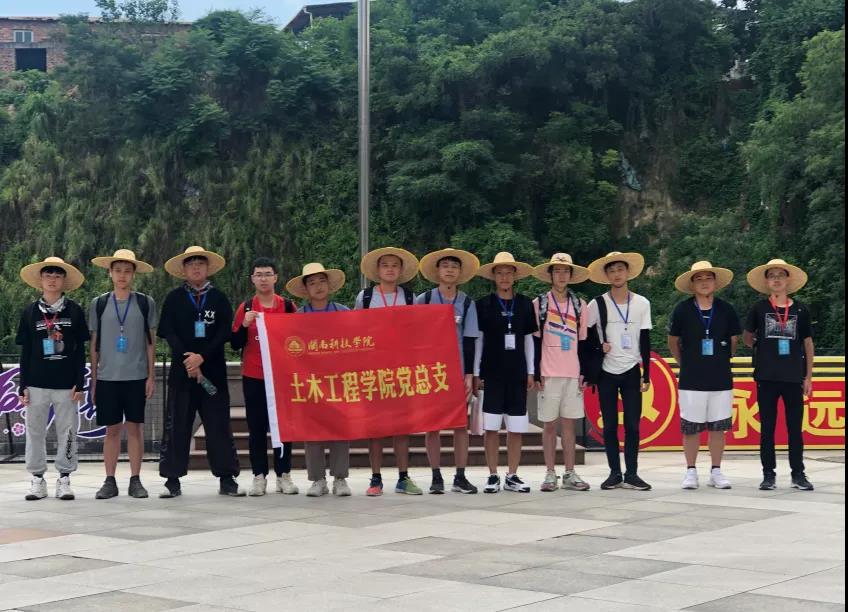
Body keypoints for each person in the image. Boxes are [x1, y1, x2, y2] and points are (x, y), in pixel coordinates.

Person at [157, 246, 244, 498]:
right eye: (191, 264)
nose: (196, 268)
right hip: (182, 374)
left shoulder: (219, 298)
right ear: (183, 269)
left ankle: (227, 478)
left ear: (208, 269)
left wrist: (202, 357)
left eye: (200, 264)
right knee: (177, 425)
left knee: (218, 425)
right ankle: (172, 479)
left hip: (213, 374)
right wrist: (189, 359)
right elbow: (168, 332)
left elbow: (224, 333)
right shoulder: (174, 298)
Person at [16, 257, 88, 501]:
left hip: (66, 384)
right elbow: (25, 351)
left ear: (64, 281)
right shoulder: (30, 312)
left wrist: (81, 382)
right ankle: (37, 478)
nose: (52, 280)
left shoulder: (74, 311)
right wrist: (22, 385)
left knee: (68, 432)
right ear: (41, 280)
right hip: (36, 383)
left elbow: (80, 351)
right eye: (48, 275)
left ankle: (64, 478)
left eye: (58, 275)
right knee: (35, 431)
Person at [89, 249, 157, 499]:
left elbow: (151, 342)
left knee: (135, 428)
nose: (122, 275)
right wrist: (94, 381)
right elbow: (94, 344)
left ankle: (135, 480)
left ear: (133, 274)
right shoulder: (99, 304)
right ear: (110, 273)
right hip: (107, 377)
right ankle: (109, 480)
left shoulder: (145, 302)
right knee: (112, 430)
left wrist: (151, 376)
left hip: (136, 376)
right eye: (117, 270)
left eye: (127, 271)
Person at [355, 246, 422, 496]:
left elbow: (417, 333)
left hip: (401, 370)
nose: (390, 269)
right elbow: (355, 332)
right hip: (373, 370)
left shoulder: (410, 298)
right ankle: (376, 478)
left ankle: (403, 477)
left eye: (395, 265)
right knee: (375, 428)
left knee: (402, 426)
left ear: (401, 270)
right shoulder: (365, 297)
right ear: (377, 270)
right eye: (385, 265)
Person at [744, 259, 815, 491]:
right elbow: (747, 337)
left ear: (788, 280)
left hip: (793, 376)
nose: (776, 279)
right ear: (766, 281)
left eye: (780, 275)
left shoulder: (800, 309)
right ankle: (768, 475)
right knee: (768, 428)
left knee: (795, 428)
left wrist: (808, 376)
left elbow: (808, 343)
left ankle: (798, 474)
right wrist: (760, 346)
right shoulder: (759, 308)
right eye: (772, 275)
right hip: (767, 376)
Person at [668, 261, 740, 490]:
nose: (704, 282)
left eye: (708, 278)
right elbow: (673, 341)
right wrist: (686, 363)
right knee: (691, 426)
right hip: (692, 379)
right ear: (692, 285)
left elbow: (734, 341)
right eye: (698, 279)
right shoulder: (682, 310)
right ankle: (691, 471)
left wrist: (721, 359)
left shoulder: (726, 309)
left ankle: (716, 471)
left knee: (718, 426)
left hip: (720, 377)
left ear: (715, 282)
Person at [231, 257, 299, 497]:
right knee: (256, 428)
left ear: (275, 277)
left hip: (281, 377)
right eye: (258, 274)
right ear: (252, 279)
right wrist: (243, 325)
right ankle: (259, 476)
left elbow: (298, 340)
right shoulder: (246, 307)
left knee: (283, 428)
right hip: (254, 376)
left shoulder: (288, 307)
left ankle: (284, 475)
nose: (263, 279)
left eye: (267, 274)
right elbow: (235, 343)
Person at [416, 248, 481, 494]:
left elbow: (471, 339)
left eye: (454, 266)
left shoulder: (467, 302)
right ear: (437, 271)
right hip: (431, 372)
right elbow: (414, 337)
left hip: (458, 371)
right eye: (445, 266)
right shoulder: (424, 300)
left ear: (460, 272)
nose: (450, 270)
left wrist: (469, 375)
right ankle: (436, 476)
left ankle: (460, 476)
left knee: (459, 425)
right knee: (432, 426)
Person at [586, 251, 653, 491]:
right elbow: (584, 337)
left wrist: (647, 374)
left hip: (632, 370)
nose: (616, 274)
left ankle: (632, 473)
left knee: (633, 425)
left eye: (620, 270)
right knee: (610, 425)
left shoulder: (642, 303)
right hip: (606, 371)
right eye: (612, 270)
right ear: (606, 275)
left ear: (628, 273)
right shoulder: (597, 304)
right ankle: (614, 473)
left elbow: (645, 339)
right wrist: (598, 347)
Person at [286, 262, 352, 497]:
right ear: (306, 290)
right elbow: (290, 349)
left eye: (322, 281)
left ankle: (340, 478)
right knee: (312, 430)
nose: (318, 286)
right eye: (312, 283)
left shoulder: (343, 312)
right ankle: (317, 479)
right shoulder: (298, 317)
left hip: (339, 380)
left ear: (329, 285)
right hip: (310, 382)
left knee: (340, 429)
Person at [473, 252, 538, 494]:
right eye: (499, 273)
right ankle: (492, 475)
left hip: (518, 373)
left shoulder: (525, 304)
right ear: (493, 276)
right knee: (491, 427)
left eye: (508, 273)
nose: (504, 277)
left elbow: (529, 340)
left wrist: (531, 371)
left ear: (515, 276)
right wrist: (476, 372)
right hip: (492, 373)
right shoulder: (483, 305)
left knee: (516, 427)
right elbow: (479, 340)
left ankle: (512, 475)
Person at [531, 253, 591, 492]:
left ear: (571, 275)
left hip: (572, 373)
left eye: (566, 271)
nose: (562, 275)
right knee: (548, 426)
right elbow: (534, 341)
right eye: (557, 271)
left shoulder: (580, 305)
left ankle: (569, 473)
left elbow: (584, 342)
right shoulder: (539, 304)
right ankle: (549, 473)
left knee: (569, 426)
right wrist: (536, 373)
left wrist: (584, 371)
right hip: (548, 372)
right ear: (550, 275)